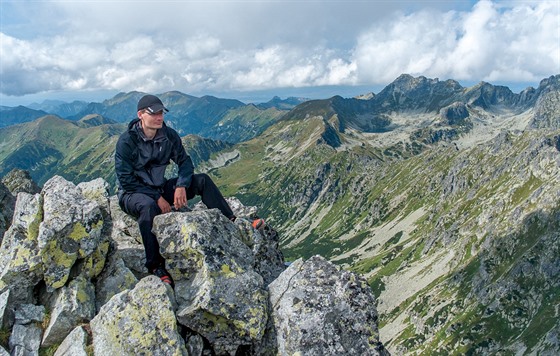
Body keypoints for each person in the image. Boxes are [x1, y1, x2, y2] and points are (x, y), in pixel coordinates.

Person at [115, 94, 236, 288]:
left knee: (202, 180)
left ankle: (231, 220)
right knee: (148, 208)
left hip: (159, 187)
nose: (159, 117)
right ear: (140, 115)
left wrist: (181, 185)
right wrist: (157, 198)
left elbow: (185, 162)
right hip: (131, 193)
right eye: (154, 113)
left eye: (161, 112)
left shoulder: (168, 135)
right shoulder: (127, 141)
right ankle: (155, 266)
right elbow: (126, 180)